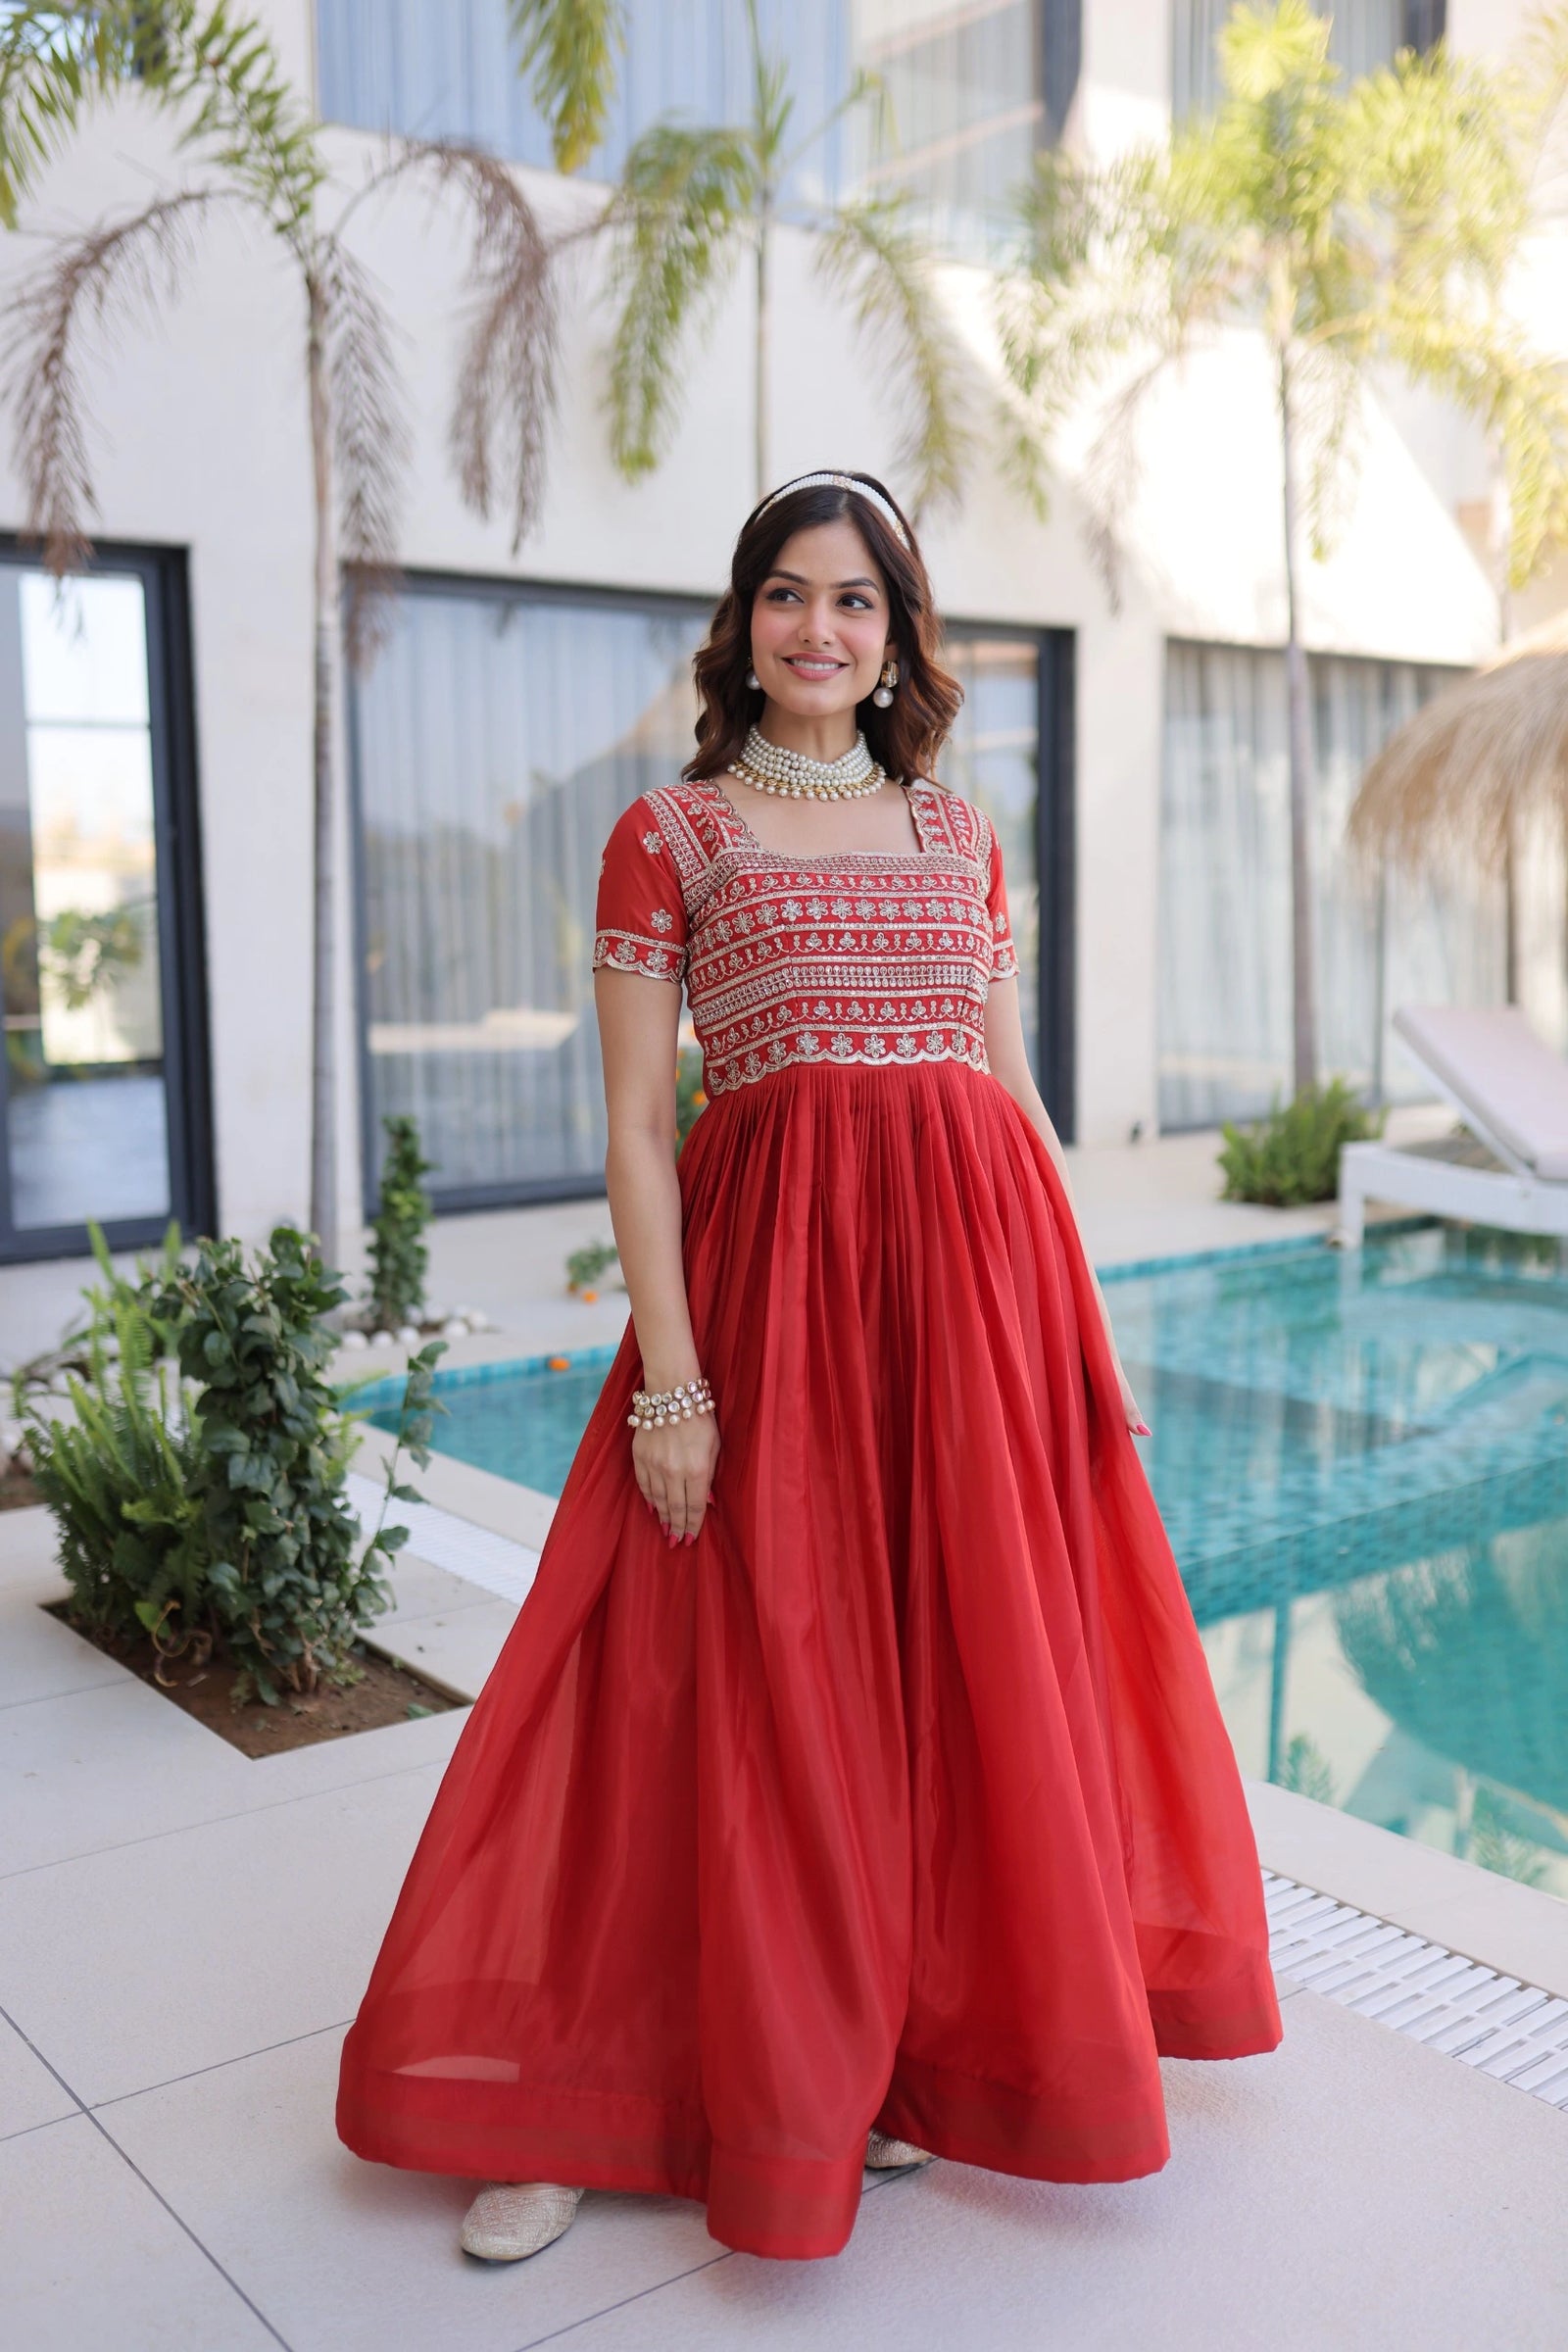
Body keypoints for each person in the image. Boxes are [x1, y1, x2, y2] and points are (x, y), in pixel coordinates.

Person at [335, 469, 1282, 2267]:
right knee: (688, 1682)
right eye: (788, 593)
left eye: (857, 600)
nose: (819, 628)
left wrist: (1078, 1335)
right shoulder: (669, 835)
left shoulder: (961, 836)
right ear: (743, 622)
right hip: (766, 1312)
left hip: (970, 1319)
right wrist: (673, 1384)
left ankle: (896, 2055)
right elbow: (637, 1129)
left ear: (899, 635)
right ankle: (582, 2095)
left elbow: (1014, 1098)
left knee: (943, 1679)